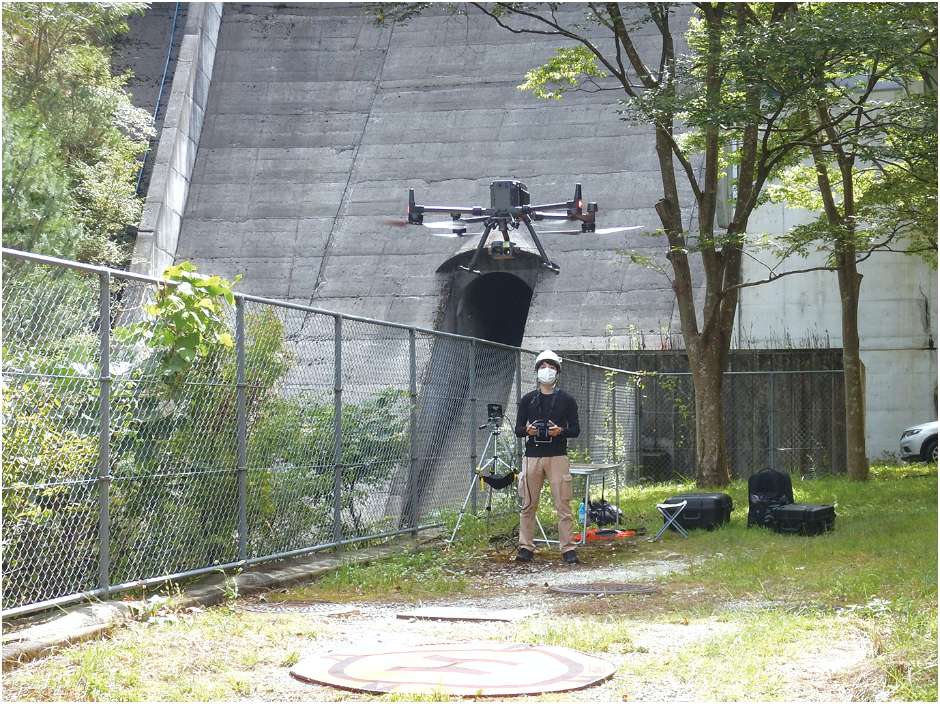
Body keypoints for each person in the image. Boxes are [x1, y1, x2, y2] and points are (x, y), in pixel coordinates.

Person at [514, 349, 581, 564]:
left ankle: (568, 549)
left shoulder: (567, 400)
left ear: (557, 371)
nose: (547, 370)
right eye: (543, 366)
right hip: (532, 456)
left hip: (557, 457)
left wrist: (559, 430)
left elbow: (575, 430)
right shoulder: (527, 400)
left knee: (563, 504)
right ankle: (525, 547)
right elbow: (518, 429)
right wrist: (529, 431)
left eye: (551, 367)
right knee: (528, 504)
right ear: (536, 370)